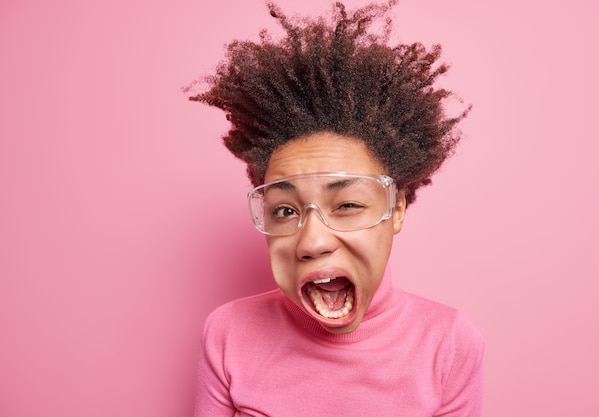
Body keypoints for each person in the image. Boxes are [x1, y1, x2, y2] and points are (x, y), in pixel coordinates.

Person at [188, 1, 484, 415]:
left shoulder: (449, 343)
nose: (311, 241)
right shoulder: (227, 333)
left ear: (395, 208)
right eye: (285, 211)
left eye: (346, 204)